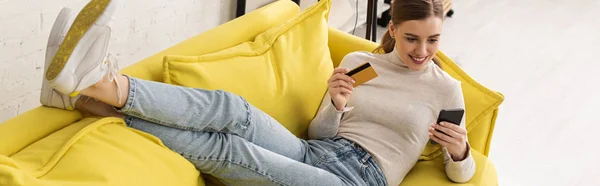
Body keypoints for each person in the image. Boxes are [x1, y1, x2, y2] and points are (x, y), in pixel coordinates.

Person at [40, 0, 475, 185]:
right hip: (317, 154)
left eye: (432, 40)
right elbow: (319, 135)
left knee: (232, 151)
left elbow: (463, 176)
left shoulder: (446, 90)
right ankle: (93, 92)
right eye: (412, 39)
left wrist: (460, 153)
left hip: (361, 181)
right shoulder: (363, 66)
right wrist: (337, 106)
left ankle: (88, 91)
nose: (422, 51)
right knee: (232, 108)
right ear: (393, 29)